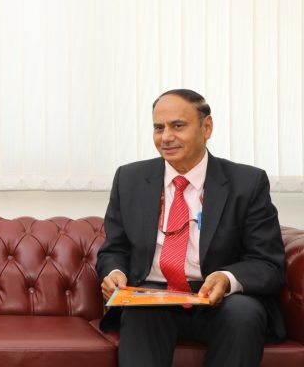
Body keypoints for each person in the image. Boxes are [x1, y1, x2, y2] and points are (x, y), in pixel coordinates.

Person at [96, 89, 285, 367]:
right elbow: (114, 249)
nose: (166, 137)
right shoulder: (130, 178)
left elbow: (268, 264)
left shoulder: (247, 182)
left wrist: (226, 278)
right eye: (159, 128)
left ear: (206, 127)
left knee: (244, 314)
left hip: (221, 299)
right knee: (138, 311)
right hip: (154, 295)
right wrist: (114, 273)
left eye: (178, 126)